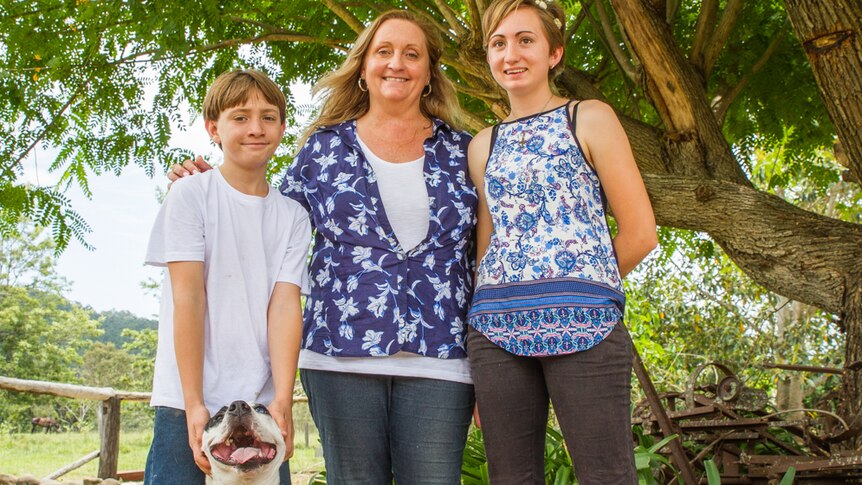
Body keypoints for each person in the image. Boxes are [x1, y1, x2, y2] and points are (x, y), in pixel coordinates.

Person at [169, 10, 477, 484]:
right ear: (363, 67)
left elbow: (485, 254)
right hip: (339, 357)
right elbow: (268, 215)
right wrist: (214, 185)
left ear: (430, 71)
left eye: (411, 54)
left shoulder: (465, 152)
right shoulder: (323, 148)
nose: (397, 63)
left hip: (442, 356)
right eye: (384, 52)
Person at [466, 0, 658, 483]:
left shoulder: (589, 118)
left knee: (607, 475)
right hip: (495, 333)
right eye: (499, 43)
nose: (511, 53)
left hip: (587, 325)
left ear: (554, 53)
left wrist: (581, 287)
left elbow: (640, 234)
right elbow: (486, 249)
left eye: (525, 40)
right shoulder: (481, 144)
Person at [145, 69, 310, 484]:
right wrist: (194, 401)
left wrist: (282, 400)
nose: (256, 128)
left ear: (283, 126)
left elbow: (285, 306)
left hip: (260, 408)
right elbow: (189, 299)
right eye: (240, 117)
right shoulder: (190, 195)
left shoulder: (292, 216)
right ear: (213, 128)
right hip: (188, 400)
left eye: (268, 116)